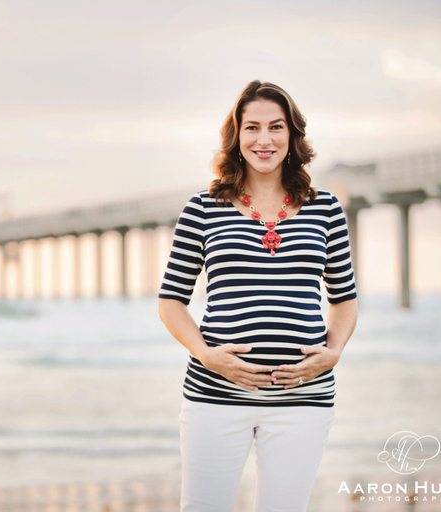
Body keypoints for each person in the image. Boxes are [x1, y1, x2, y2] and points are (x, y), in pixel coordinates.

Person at [157, 80, 359, 512]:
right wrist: (206, 355)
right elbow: (171, 301)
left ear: (292, 135)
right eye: (252, 128)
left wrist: (334, 351)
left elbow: (344, 299)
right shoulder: (202, 209)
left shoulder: (326, 209)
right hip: (215, 394)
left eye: (275, 127)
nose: (263, 140)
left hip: (303, 397)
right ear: (236, 136)